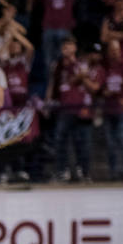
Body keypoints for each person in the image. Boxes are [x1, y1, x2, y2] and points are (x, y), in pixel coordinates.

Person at [47, 37, 97, 181]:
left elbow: (85, 81)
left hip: (80, 108)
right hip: (63, 107)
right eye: (64, 46)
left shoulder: (81, 63)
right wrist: (48, 101)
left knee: (82, 142)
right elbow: (52, 84)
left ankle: (83, 172)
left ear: (74, 48)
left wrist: (79, 76)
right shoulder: (57, 65)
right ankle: (63, 171)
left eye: (69, 45)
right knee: (60, 141)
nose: (66, 48)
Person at [98, 38, 123, 180]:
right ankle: (113, 173)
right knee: (110, 144)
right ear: (108, 52)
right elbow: (99, 87)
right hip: (108, 110)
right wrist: (104, 93)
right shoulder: (105, 67)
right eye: (111, 50)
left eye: (116, 50)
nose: (114, 53)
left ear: (120, 50)